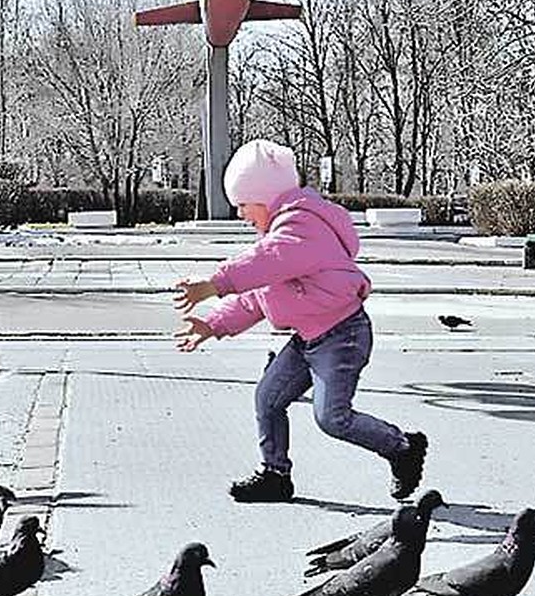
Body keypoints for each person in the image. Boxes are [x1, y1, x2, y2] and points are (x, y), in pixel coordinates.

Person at [174, 139, 429, 503]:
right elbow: (258, 296)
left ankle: (402, 447)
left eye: (243, 205)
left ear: (264, 198)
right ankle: (275, 475)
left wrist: (215, 284)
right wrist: (213, 325)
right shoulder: (283, 236)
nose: (241, 215)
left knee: (333, 418)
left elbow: (262, 263)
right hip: (309, 339)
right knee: (268, 398)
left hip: (342, 336)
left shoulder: (299, 229)